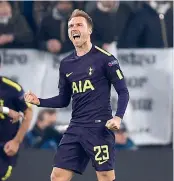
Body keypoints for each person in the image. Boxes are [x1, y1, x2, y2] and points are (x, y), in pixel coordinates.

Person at [25, 9, 129, 181]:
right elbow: (63, 100)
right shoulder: (66, 64)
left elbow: (123, 91)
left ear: (89, 30)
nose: (74, 28)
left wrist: (118, 118)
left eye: (79, 25)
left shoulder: (106, 59)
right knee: (57, 176)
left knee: (105, 176)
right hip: (75, 128)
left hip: (99, 128)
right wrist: (39, 101)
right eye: (71, 25)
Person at [0, 76, 32, 181]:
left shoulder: (13, 88)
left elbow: (28, 112)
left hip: (4, 148)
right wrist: (6, 110)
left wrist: (16, 141)